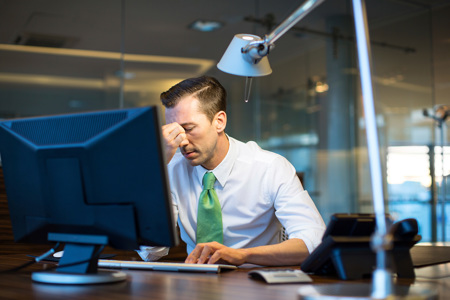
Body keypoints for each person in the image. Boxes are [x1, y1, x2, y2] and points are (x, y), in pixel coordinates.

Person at [141, 75, 325, 266]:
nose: (182, 141)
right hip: (196, 283)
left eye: (188, 128)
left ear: (219, 121)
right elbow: (151, 251)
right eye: (174, 132)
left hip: (256, 282)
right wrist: (156, 170)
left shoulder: (270, 168)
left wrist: (243, 255)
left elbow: (313, 241)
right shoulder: (171, 167)